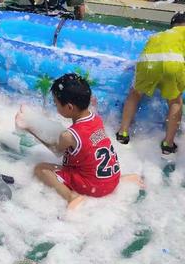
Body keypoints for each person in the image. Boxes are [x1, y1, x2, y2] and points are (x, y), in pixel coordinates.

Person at [20, 73, 120, 209]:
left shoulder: (70, 136)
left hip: (94, 187)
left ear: (69, 107)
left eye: (56, 103)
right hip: (113, 180)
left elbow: (56, 150)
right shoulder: (96, 119)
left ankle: (71, 197)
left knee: (41, 169)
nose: (55, 106)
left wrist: (29, 128)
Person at [116, 12, 185, 154]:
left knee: (135, 94)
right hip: (173, 63)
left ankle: (122, 132)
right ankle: (168, 143)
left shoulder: (159, 35)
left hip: (147, 61)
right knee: (175, 101)